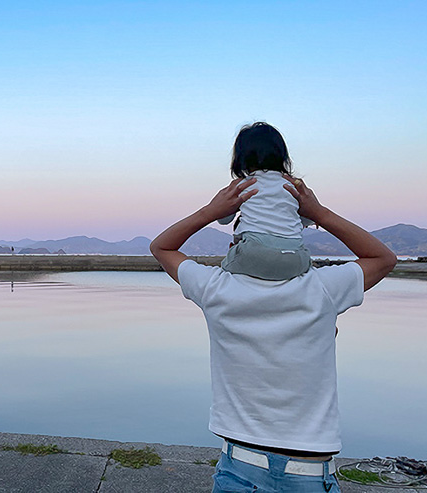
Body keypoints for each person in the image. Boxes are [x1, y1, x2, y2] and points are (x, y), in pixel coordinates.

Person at [150, 134, 396, 492]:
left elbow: (161, 246)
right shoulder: (322, 289)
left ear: (237, 242)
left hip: (239, 468)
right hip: (308, 473)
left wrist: (210, 212)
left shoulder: (217, 289)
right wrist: (319, 213)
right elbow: (384, 258)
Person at [218, 122, 313, 281]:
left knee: (224, 273)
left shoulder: (243, 185)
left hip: (254, 254)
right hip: (297, 259)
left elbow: (223, 219)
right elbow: (309, 218)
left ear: (240, 158)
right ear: (283, 155)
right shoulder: (294, 185)